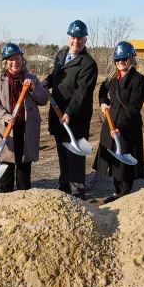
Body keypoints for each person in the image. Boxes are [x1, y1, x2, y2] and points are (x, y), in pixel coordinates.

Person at [43, 20, 98, 200]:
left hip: (75, 116)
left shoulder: (88, 63)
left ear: (85, 40)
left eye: (80, 38)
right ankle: (64, 183)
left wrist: (69, 112)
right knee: (61, 149)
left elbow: (82, 92)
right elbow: (56, 75)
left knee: (75, 153)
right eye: (73, 38)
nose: (76, 42)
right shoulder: (61, 55)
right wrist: (46, 82)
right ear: (68, 38)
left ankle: (77, 191)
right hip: (57, 111)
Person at [0, 43, 48, 192]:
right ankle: (6, 200)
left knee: (23, 168)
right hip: (6, 127)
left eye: (17, 58)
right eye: (10, 59)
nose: (15, 62)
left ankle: (23, 200)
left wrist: (33, 87)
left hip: (26, 128)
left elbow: (43, 99)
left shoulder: (31, 78)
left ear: (22, 59)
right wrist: (4, 116)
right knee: (6, 167)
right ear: (5, 62)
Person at [94, 41, 144, 202]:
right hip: (111, 121)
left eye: (124, 59)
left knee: (124, 158)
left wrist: (120, 128)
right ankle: (117, 191)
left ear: (131, 59)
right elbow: (102, 92)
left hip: (128, 124)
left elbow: (135, 106)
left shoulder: (138, 79)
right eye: (118, 60)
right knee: (114, 159)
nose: (121, 62)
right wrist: (103, 102)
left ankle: (124, 192)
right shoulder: (112, 78)